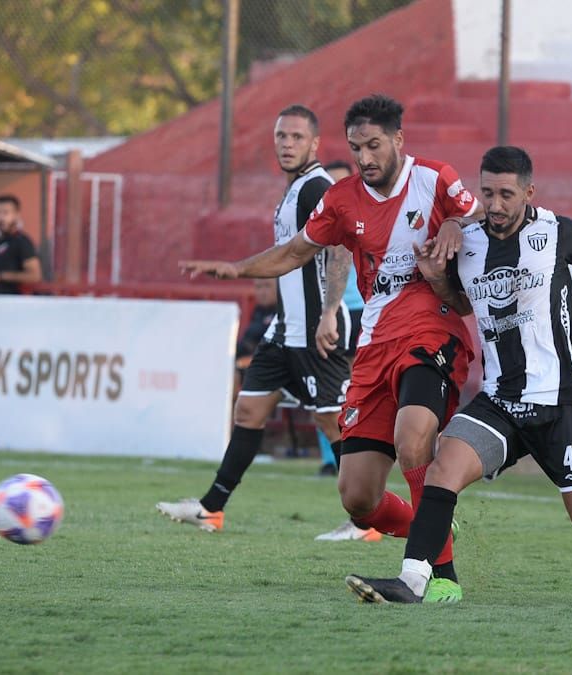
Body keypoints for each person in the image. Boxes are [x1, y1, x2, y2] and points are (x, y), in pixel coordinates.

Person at [343, 146, 572, 607]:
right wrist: (438, 279)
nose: (495, 205)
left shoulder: (558, 232)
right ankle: (414, 582)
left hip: (561, 401)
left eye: (506, 195)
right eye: (488, 193)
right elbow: (460, 305)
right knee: (442, 470)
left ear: (528, 192)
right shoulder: (468, 243)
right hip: (500, 401)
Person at [180, 94, 482, 602]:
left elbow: (482, 221)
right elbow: (298, 250)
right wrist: (238, 268)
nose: (364, 157)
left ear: (398, 140)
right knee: (358, 498)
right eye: (357, 147)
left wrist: (454, 222)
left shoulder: (435, 178)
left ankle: (438, 579)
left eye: (374, 145)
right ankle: (432, 530)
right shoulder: (342, 199)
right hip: (373, 343)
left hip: (433, 330)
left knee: (413, 437)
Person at [157, 105, 360, 538]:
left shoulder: (316, 188)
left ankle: (367, 519)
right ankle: (211, 509)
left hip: (314, 329)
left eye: (296, 137)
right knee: (248, 410)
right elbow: (288, 257)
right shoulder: (293, 190)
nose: (287, 144)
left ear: (314, 143)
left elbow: (340, 250)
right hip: (283, 328)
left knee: (330, 422)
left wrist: (328, 311)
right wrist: (238, 270)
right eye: (281, 136)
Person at [316, 160, 364, 477]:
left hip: (359, 310)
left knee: (356, 386)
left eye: (341, 183)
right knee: (325, 388)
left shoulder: (364, 220)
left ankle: (360, 455)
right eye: (329, 184)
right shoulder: (314, 225)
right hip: (325, 315)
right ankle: (331, 459)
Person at [0, 195, 42, 294]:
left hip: (10, 304)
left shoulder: (22, 241)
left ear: (16, 215)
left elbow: (34, 276)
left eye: (5, 213)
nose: (0, 218)